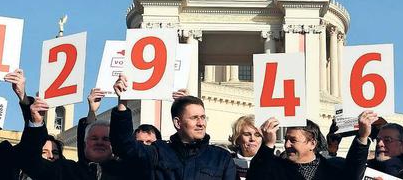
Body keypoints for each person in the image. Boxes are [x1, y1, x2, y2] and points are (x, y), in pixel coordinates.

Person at [110, 74, 236, 180]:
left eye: (203, 117)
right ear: (177, 123)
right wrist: (122, 103)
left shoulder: (221, 158)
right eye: (194, 118)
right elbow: (124, 146)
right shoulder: (159, 152)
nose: (201, 123)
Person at [17, 99, 133, 180]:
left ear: (113, 143)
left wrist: (122, 105)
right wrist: (36, 123)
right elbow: (30, 161)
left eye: (105, 138)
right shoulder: (66, 171)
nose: (99, 142)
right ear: (85, 143)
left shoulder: (127, 172)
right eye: (94, 138)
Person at [247, 111, 375, 180]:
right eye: (286, 139)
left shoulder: (334, 169)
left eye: (293, 140)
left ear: (312, 143)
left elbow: (353, 172)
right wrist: (268, 144)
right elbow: (256, 176)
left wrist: (362, 137)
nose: (286, 145)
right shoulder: (274, 167)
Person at [227, 115, 261, 180]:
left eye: (257, 135)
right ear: (237, 138)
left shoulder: (272, 164)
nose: (253, 139)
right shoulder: (227, 163)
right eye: (247, 134)